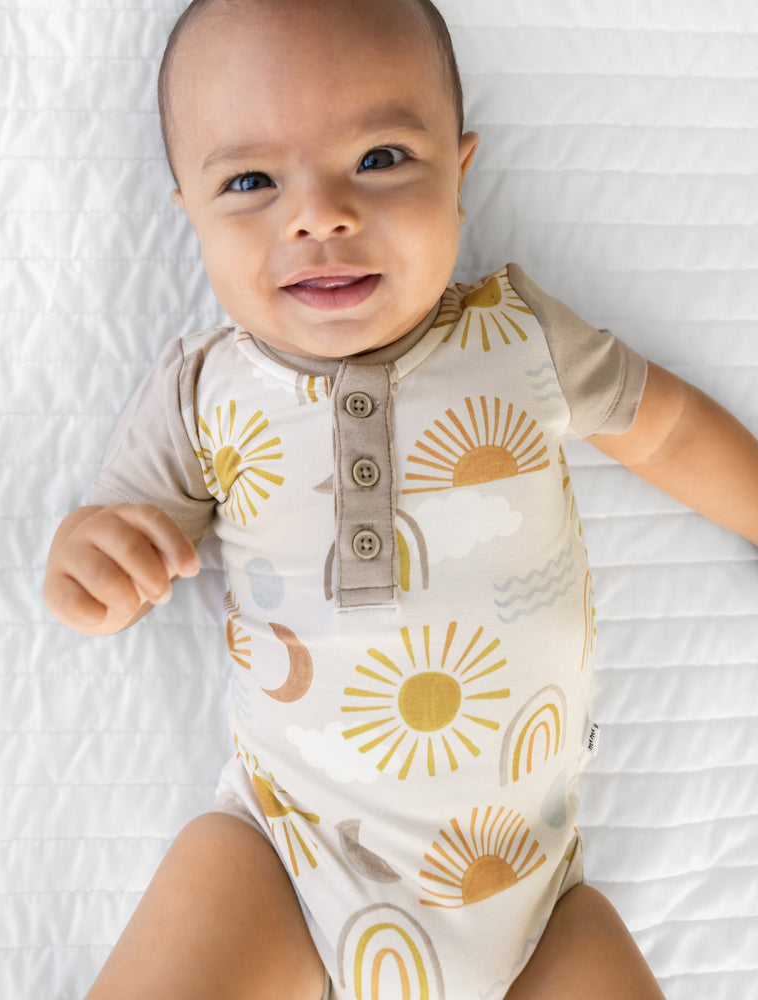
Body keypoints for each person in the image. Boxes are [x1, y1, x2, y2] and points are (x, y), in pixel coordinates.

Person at [44, 1, 758, 996]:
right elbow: (126, 520)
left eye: (379, 158)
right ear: (191, 215)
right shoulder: (202, 391)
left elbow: (669, 428)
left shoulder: (519, 339)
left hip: (532, 897)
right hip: (282, 859)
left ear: (461, 174)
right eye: (250, 182)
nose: (318, 213)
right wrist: (93, 560)